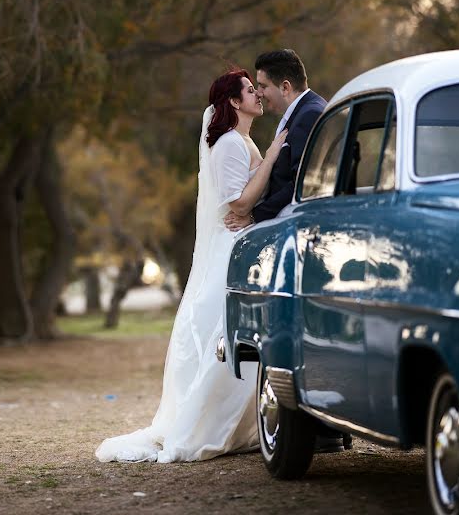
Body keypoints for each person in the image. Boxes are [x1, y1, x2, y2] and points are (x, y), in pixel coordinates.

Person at [94, 68, 288, 463]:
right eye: (251, 91)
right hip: (230, 248)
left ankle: (242, 423)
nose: (258, 96)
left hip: (238, 242)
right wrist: (269, 159)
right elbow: (237, 205)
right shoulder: (231, 143)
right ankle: (205, 425)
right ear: (234, 102)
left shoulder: (242, 140)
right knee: (224, 329)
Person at [224, 49, 327, 231]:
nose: (260, 93)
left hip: (297, 229)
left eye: (263, 86)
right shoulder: (302, 112)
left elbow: (302, 183)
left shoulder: (310, 115)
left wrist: (255, 216)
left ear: (285, 87)